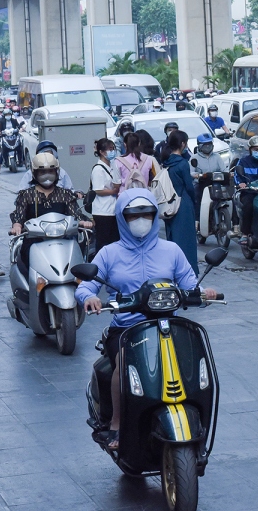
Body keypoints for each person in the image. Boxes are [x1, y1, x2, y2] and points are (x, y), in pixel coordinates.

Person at [77, 191, 218, 452]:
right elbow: (86, 286)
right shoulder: (109, 253)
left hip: (168, 324)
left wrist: (204, 293)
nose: (140, 219)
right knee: (123, 364)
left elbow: (189, 284)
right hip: (127, 328)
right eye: (133, 215)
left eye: (146, 213)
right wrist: (89, 298)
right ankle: (117, 425)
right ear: (122, 217)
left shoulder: (171, 250)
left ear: (155, 216)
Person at [9, 153, 93, 276]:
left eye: (50, 171)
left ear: (56, 172)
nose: (47, 175)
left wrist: (83, 222)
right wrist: (17, 226)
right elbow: (19, 214)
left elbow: (75, 213)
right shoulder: (26, 195)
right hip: (34, 240)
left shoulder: (65, 194)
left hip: (63, 238)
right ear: (35, 173)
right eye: (42, 172)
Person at [162, 129, 199, 271]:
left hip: (169, 203)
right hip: (183, 203)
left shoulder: (166, 162)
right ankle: (188, 270)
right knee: (187, 240)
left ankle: (174, 268)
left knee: (173, 238)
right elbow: (189, 187)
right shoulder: (183, 164)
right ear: (183, 144)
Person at [90, 138, 121, 251]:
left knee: (115, 240)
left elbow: (117, 182)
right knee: (103, 242)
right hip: (102, 211)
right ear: (102, 152)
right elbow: (98, 190)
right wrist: (113, 191)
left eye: (113, 149)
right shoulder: (98, 169)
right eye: (109, 149)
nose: (112, 152)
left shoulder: (112, 165)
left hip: (112, 209)